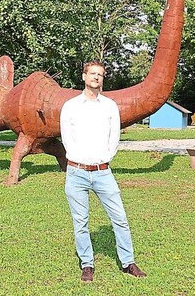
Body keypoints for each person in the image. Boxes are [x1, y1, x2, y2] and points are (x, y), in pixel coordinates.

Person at [59, 61, 146, 282]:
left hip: (102, 172)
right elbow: (66, 138)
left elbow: (114, 137)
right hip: (76, 172)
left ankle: (128, 262)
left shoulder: (109, 106)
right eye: (93, 74)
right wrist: (78, 158)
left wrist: (105, 158)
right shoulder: (70, 106)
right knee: (81, 222)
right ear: (84, 76)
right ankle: (87, 264)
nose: (96, 78)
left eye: (100, 75)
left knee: (120, 218)